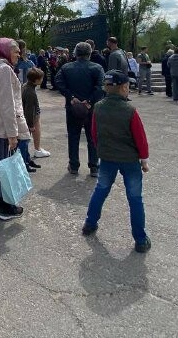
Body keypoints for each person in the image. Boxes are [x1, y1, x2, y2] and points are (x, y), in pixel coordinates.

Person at [82, 70, 151, 253]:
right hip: (129, 160)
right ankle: (141, 239)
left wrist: (101, 150)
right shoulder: (130, 111)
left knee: (101, 190)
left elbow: (94, 134)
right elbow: (140, 139)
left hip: (107, 159)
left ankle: (89, 223)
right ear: (124, 87)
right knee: (135, 199)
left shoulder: (98, 107)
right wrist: (144, 160)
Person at [0, 38, 30, 221]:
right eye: (16, 50)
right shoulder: (4, 70)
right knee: (6, 167)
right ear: (5, 51)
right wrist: (12, 134)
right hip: (3, 128)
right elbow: (7, 105)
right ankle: (7, 207)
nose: (19, 54)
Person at [56, 42, 104, 177]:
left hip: (73, 107)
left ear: (75, 53)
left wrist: (70, 97)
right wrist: (89, 101)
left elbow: (58, 82)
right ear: (90, 53)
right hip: (92, 108)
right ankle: (94, 167)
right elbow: (101, 87)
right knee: (93, 137)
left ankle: (74, 165)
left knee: (73, 136)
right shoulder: (97, 68)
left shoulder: (66, 67)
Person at [21, 67, 44, 173]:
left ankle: (28, 159)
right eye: (41, 78)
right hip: (27, 120)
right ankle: (25, 163)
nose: (42, 80)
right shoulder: (30, 92)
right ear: (36, 80)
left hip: (25, 119)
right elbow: (29, 110)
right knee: (24, 142)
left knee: (25, 142)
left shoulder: (26, 86)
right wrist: (31, 125)